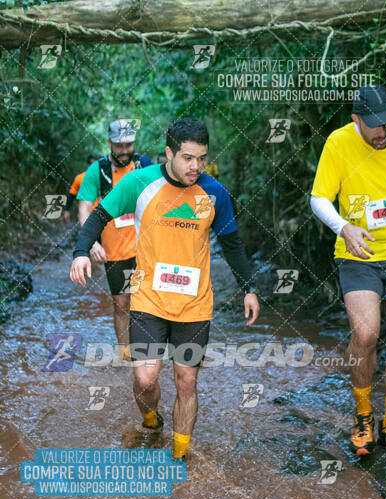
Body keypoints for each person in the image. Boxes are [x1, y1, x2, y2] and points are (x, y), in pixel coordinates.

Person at [70, 117, 259, 460]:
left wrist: (249, 286)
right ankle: (150, 419)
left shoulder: (214, 192)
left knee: (186, 380)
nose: (195, 166)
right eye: (188, 157)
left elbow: (232, 244)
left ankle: (180, 455)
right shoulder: (139, 183)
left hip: (195, 304)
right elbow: (98, 216)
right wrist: (81, 251)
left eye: (202, 158)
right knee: (145, 379)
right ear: (169, 153)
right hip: (148, 299)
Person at [311, 84, 386, 455]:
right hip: (359, 252)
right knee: (365, 335)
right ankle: (363, 414)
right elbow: (318, 199)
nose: (384, 132)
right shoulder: (338, 143)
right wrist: (343, 228)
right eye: (376, 125)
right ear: (356, 120)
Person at [77, 120, 151, 360]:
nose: (124, 151)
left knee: (147, 302)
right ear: (109, 143)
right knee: (122, 305)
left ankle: (150, 352)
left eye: (128, 145)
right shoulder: (96, 172)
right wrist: (91, 244)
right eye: (119, 145)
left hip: (145, 249)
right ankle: (126, 354)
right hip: (114, 252)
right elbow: (84, 209)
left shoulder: (144, 165)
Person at [63, 155, 99, 223]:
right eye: (92, 165)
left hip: (100, 214)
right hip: (85, 214)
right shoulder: (80, 178)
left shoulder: (104, 178)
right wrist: (67, 210)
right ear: (88, 165)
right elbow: (72, 195)